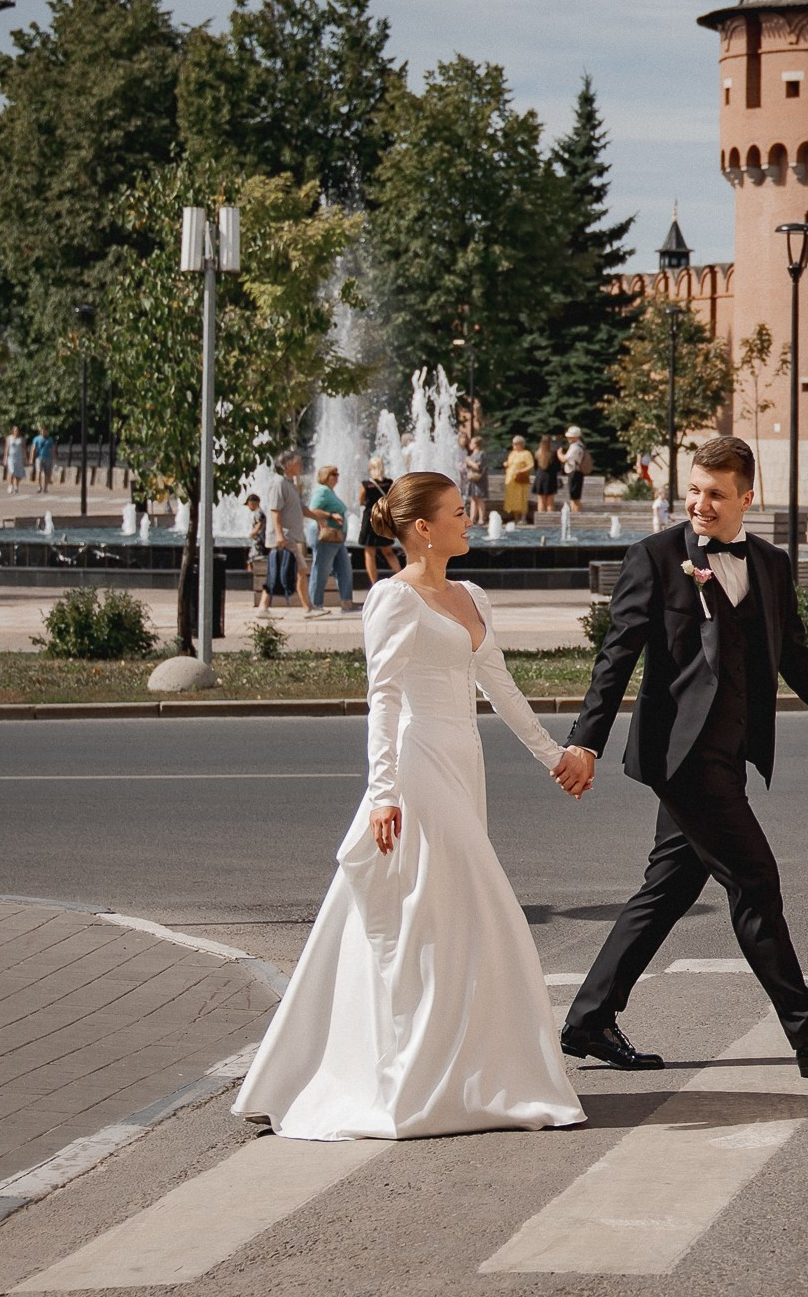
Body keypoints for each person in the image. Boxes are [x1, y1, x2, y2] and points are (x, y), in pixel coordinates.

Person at [233, 471, 591, 1141]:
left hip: (463, 763)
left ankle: (401, 1070)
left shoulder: (470, 595)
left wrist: (556, 757)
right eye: (458, 511)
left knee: (431, 917)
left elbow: (501, 688)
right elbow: (385, 699)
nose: (470, 518)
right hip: (418, 765)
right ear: (422, 527)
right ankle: (419, 1081)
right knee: (474, 911)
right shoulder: (393, 601)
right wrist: (384, 792)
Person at [557, 435, 808, 1077]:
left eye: (716, 493)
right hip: (679, 758)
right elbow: (616, 658)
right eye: (694, 490)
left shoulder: (770, 564)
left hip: (730, 754)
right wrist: (585, 741)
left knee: (667, 889)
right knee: (756, 881)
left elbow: (796, 658)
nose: (700, 503)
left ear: (746, 497)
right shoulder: (655, 558)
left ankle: (590, 1019)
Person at [258, 452, 310, 611]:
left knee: (279, 571)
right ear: (288, 464)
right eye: (298, 462)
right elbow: (274, 511)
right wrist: (279, 535)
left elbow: (301, 508)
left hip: (290, 536)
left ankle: (264, 606)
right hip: (285, 537)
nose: (301, 465)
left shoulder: (289, 483)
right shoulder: (278, 483)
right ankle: (308, 608)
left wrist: (320, 519)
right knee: (301, 569)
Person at [307, 465, 357, 616]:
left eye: (337, 474)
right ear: (325, 476)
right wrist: (330, 516)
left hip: (337, 538)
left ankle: (347, 602)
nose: (337, 477)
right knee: (321, 569)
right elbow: (313, 510)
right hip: (325, 536)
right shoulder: (322, 491)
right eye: (333, 474)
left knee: (344, 569)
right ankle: (315, 604)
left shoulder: (330, 492)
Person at [356, 457, 397, 586]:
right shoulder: (390, 483)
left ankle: (374, 583)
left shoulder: (366, 484)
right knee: (388, 551)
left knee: (369, 552)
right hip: (384, 518)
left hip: (369, 519)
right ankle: (402, 575)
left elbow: (360, 501)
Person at [244, 493, 268, 608]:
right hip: (258, 542)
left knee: (254, 561)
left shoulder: (258, 512)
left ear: (253, 502)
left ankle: (255, 584)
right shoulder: (258, 512)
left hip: (259, 543)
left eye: (248, 504)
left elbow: (259, 523)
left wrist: (253, 532)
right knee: (251, 560)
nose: (248, 507)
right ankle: (254, 584)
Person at [503, 435, 534, 523]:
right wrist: (506, 464)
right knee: (513, 499)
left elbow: (531, 465)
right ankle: (516, 518)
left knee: (521, 498)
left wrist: (521, 470)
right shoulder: (512, 453)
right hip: (511, 480)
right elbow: (510, 463)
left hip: (520, 480)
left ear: (521, 444)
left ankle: (523, 518)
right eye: (513, 443)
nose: (514, 445)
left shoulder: (526, 453)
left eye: (516, 444)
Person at [562, 427, 593, 514]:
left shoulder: (575, 447)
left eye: (570, 437)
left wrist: (559, 454)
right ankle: (576, 513)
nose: (568, 438)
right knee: (575, 497)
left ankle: (575, 514)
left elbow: (565, 459)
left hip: (574, 472)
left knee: (574, 497)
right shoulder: (580, 445)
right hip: (577, 472)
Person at [531, 433, 561, 514]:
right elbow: (558, 468)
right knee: (550, 501)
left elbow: (535, 467)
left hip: (540, 478)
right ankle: (550, 522)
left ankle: (541, 521)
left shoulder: (537, 453)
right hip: (550, 478)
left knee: (541, 501)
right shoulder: (553, 454)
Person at [462, 437, 488, 527]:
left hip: (479, 479)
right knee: (473, 498)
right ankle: (472, 518)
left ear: (476, 444)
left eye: (471, 443)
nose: (469, 445)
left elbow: (478, 467)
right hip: (472, 480)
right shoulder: (472, 454)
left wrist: (469, 461)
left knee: (479, 498)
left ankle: (481, 518)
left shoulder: (481, 454)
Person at [31, 428, 54, 494]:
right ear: (41, 432)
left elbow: (52, 448)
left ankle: (45, 487)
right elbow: (33, 448)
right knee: (39, 472)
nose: (44, 432)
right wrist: (31, 458)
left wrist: (54, 457)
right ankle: (39, 486)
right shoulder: (37, 439)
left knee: (47, 473)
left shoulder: (49, 439)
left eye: (45, 431)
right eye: (43, 431)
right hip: (39, 457)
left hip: (48, 458)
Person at [3, 426, 25, 495]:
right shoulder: (9, 438)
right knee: (11, 471)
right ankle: (10, 485)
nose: (16, 432)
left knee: (18, 473)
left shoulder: (21, 439)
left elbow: (23, 449)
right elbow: (7, 448)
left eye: (17, 430)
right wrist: (5, 458)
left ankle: (16, 486)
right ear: (13, 431)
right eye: (15, 430)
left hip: (19, 457)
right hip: (11, 457)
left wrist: (25, 458)